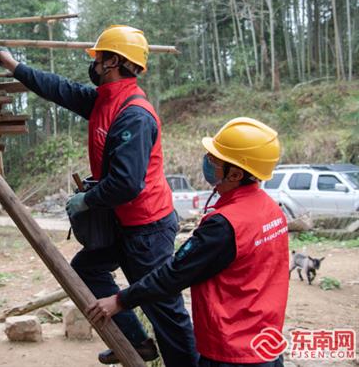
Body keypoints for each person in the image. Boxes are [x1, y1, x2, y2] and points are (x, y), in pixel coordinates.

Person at [0, 25, 198, 366]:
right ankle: (136, 342)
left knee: (165, 313)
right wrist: (14, 66)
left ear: (112, 61)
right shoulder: (104, 100)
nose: (94, 63)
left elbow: (128, 184)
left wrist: (88, 198)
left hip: (148, 229)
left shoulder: (134, 114)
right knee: (87, 268)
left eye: (99, 58)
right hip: (124, 223)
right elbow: (59, 89)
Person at [86, 117, 289, 367]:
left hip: (231, 353)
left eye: (214, 160)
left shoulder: (225, 225)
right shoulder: (271, 210)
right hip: (266, 345)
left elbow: (174, 274)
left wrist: (120, 300)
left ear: (235, 173)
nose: (207, 162)